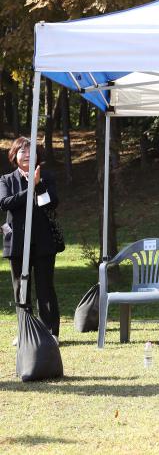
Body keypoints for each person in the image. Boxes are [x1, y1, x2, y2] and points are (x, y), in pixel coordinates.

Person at [1, 137, 62, 340]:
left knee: (45, 287)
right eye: (22, 152)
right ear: (14, 156)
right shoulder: (7, 180)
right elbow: (6, 203)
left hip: (43, 240)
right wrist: (30, 189)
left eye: (31, 152)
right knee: (21, 288)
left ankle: (50, 331)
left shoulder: (47, 176)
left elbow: (50, 203)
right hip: (17, 240)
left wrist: (39, 186)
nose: (27, 155)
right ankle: (24, 331)